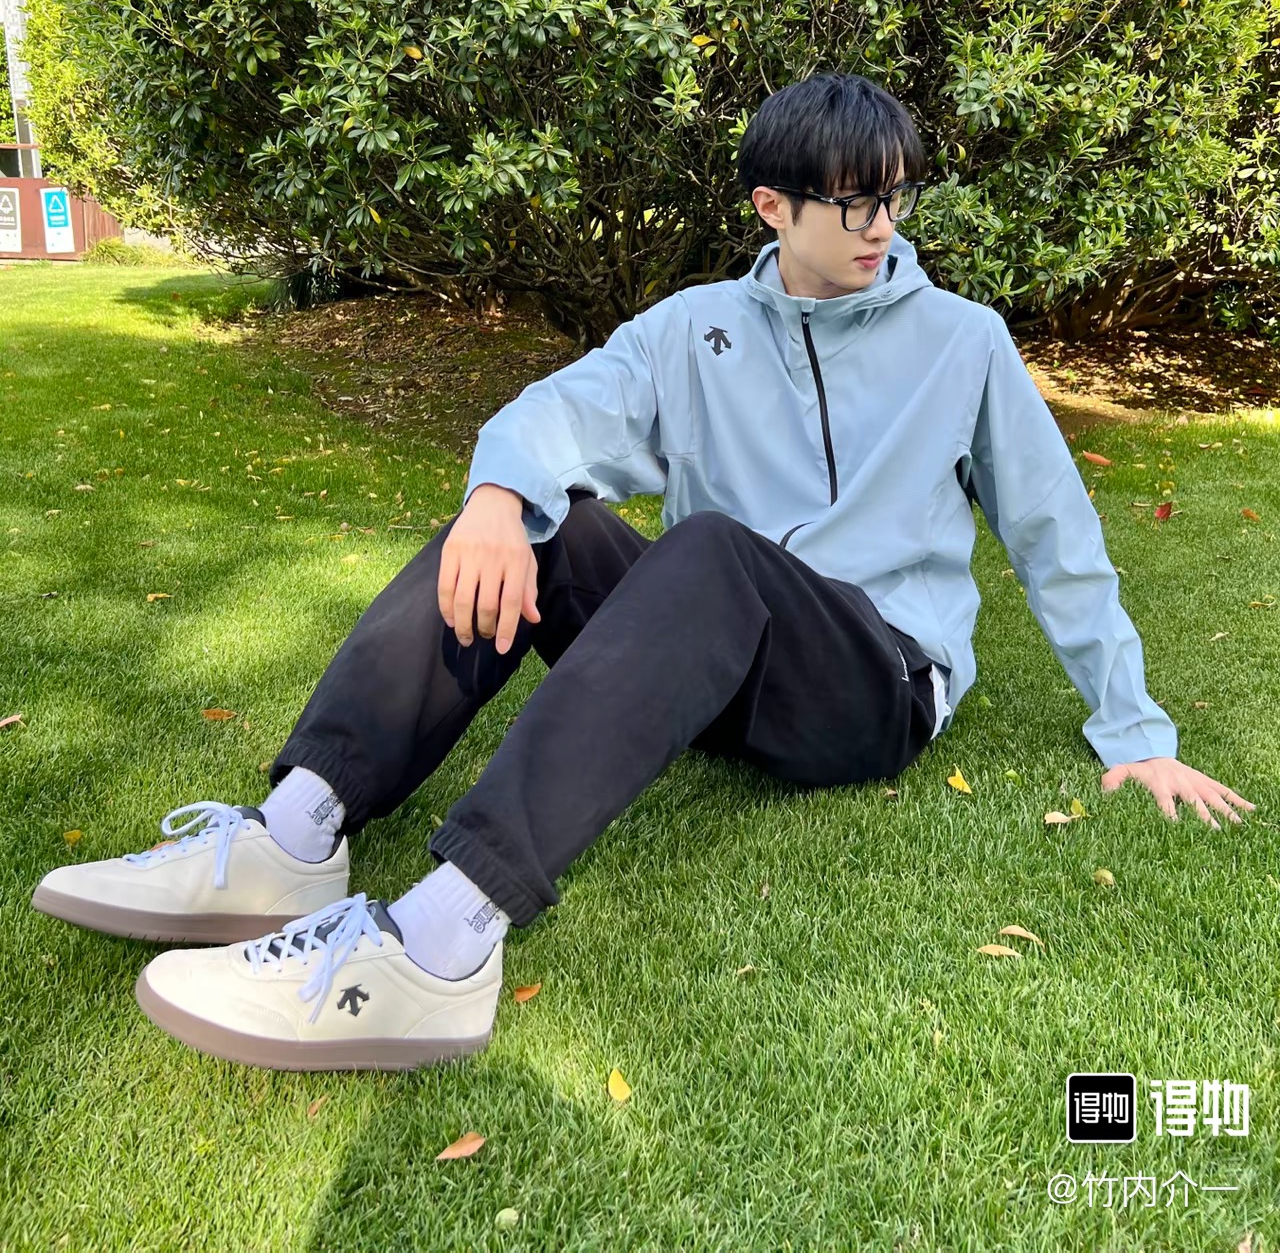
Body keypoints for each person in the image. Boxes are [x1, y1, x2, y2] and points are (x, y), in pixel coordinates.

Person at [31, 71, 1254, 1073]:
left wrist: (1133, 729)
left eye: (893, 197)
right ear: (772, 208)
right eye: (850, 205)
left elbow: (1053, 536)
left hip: (871, 681)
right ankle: (296, 833)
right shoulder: (689, 330)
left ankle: (441, 943)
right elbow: (561, 411)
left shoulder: (963, 342)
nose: (881, 227)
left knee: (710, 547)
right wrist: (495, 498)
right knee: (540, 516)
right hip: (707, 662)